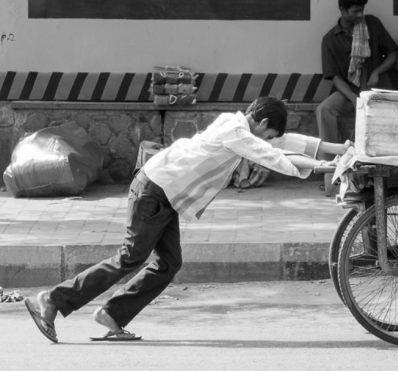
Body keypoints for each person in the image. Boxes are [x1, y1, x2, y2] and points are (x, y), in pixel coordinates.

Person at [24, 97, 352, 343]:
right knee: (130, 257)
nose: (267, 139)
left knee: (168, 263)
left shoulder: (240, 126)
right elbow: (273, 154)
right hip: (155, 189)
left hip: (165, 192)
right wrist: (323, 167)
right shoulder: (235, 131)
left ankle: (111, 314)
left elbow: (284, 142)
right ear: (261, 120)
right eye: (267, 132)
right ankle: (51, 300)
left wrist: (338, 149)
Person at [316, 0, 398, 159]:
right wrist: (354, 99)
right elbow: (336, 78)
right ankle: (329, 168)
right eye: (355, 11)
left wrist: (376, 72)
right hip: (349, 92)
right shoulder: (330, 39)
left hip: (375, 90)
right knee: (324, 110)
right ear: (342, 10)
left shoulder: (372, 24)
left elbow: (393, 53)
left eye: (362, 10)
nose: (360, 15)